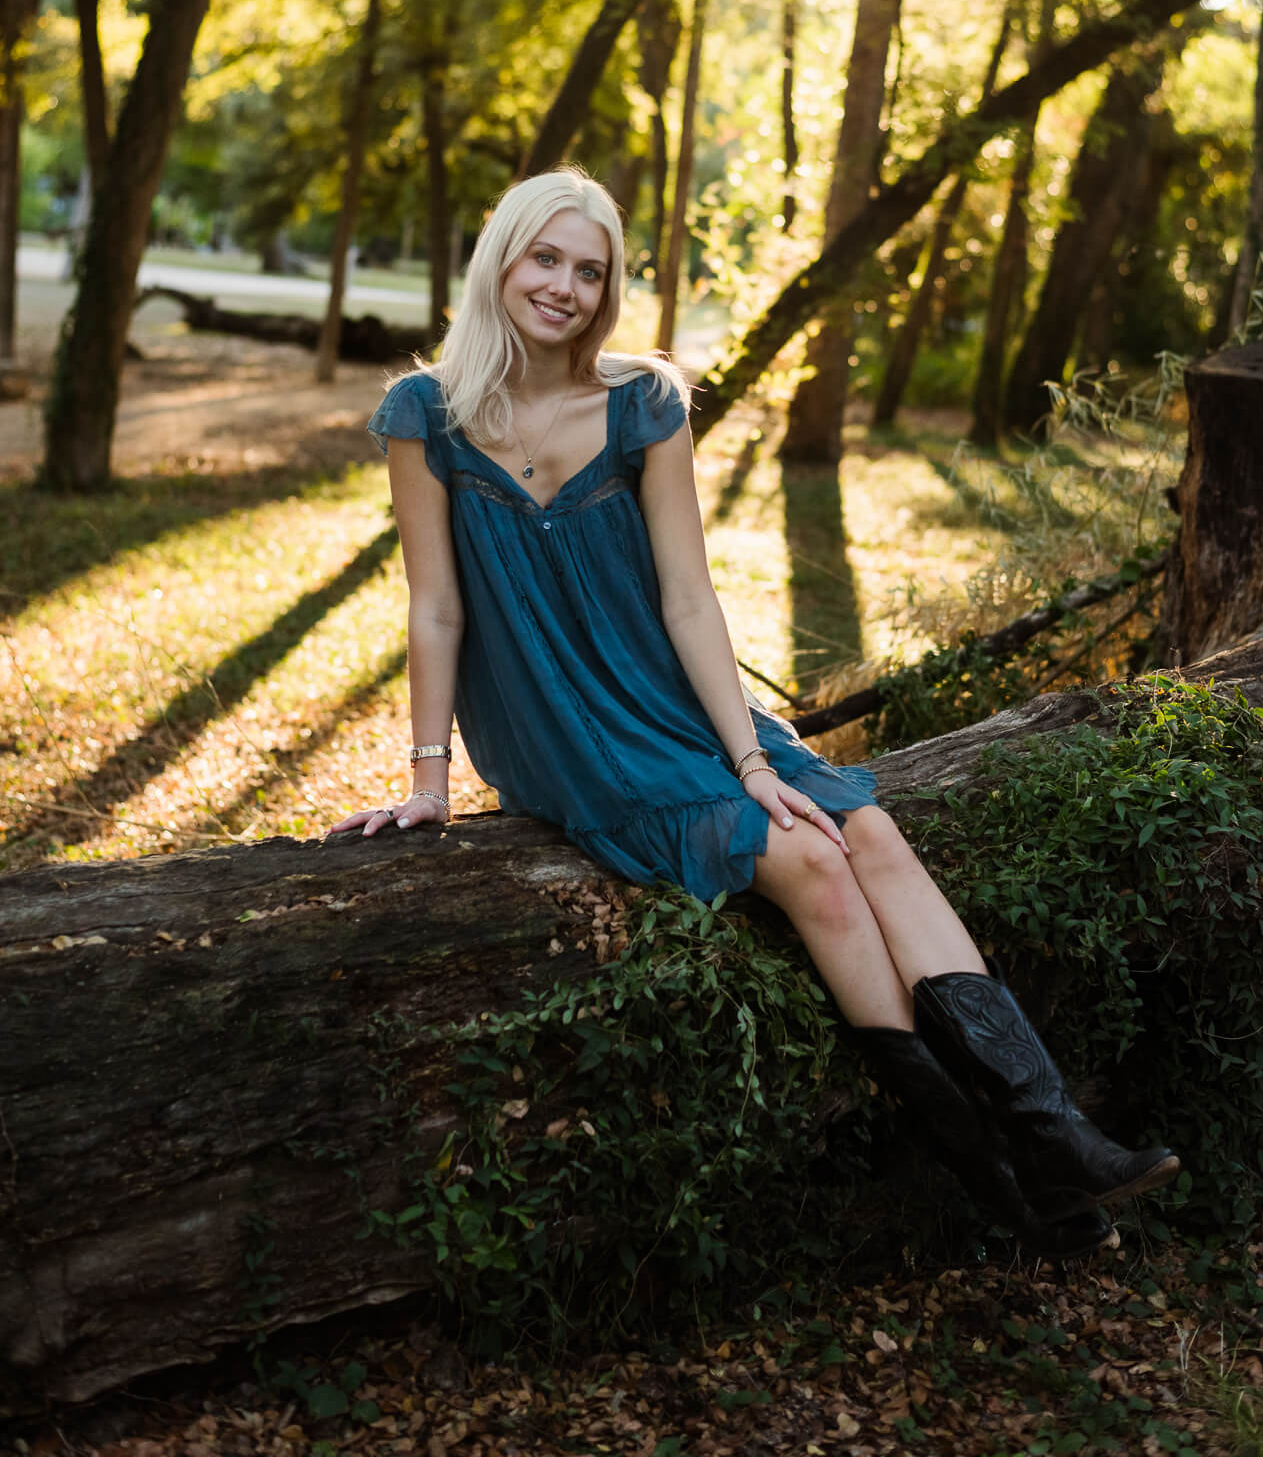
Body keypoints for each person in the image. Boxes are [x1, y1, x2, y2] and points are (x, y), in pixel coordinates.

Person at [332, 168, 1178, 1258]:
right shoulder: (425, 414)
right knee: (815, 863)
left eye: (590, 271)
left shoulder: (644, 403)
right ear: (501, 254)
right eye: (547, 257)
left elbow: (690, 597)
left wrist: (751, 755)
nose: (566, 287)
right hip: (568, 726)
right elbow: (436, 604)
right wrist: (429, 776)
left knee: (865, 828)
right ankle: (1003, 1175)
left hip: (680, 697)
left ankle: (1048, 1143)